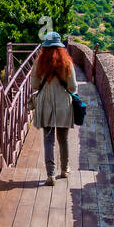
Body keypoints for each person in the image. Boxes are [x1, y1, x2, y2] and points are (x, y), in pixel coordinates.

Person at [30, 32, 77, 186]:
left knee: (48, 140)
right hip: (63, 104)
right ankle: (64, 170)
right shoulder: (67, 63)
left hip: (45, 104)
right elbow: (73, 87)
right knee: (63, 139)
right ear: (60, 47)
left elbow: (35, 85)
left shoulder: (39, 63)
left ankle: (50, 174)